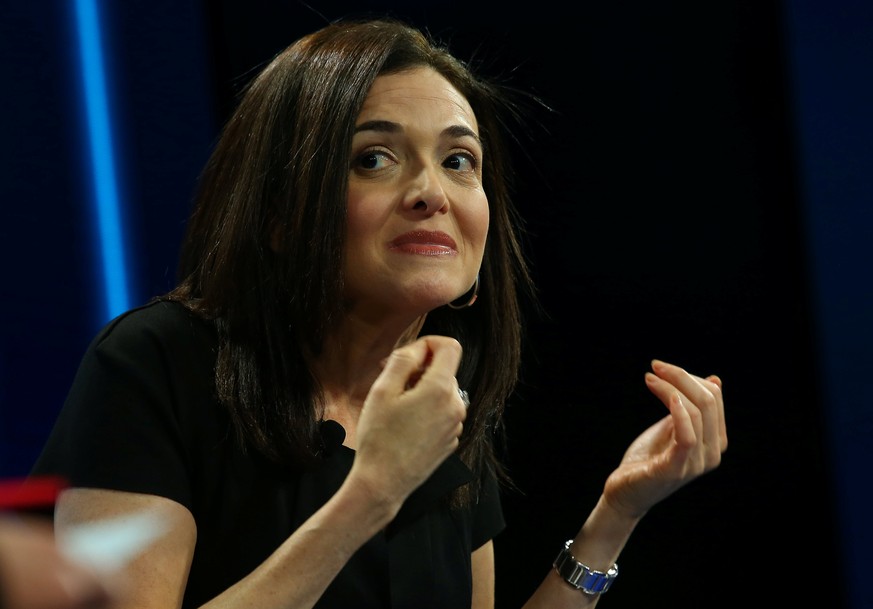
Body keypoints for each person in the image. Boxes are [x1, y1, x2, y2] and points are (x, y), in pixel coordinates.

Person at [31, 16, 728, 609]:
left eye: (459, 160)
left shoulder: (435, 400)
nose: (432, 191)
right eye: (373, 158)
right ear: (277, 212)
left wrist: (616, 514)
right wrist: (372, 492)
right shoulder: (154, 364)